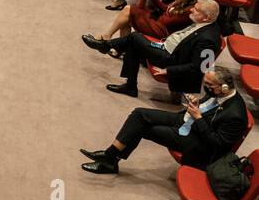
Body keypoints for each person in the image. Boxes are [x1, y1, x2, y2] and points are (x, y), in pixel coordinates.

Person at [79, 68, 245, 174]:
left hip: (195, 141)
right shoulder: (218, 92)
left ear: (224, 88)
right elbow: (209, 106)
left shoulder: (235, 115)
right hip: (184, 120)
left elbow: (217, 144)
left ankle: (110, 159)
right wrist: (197, 104)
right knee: (138, 114)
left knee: (141, 128)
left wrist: (198, 118)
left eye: (209, 85)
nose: (206, 88)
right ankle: (110, 159)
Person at [81, 0, 222, 97]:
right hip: (167, 47)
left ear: (206, 17)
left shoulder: (208, 39)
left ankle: (106, 45)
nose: (191, 9)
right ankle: (130, 86)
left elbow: (199, 68)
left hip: (171, 60)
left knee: (135, 37)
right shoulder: (204, 23)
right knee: (134, 43)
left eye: (196, 9)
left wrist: (169, 70)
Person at [89, 0, 205, 44]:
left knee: (128, 11)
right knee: (127, 17)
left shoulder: (190, 10)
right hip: (159, 23)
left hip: (163, 31)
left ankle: (109, 38)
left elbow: (168, 21)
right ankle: (117, 47)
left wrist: (152, 16)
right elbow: (167, 9)